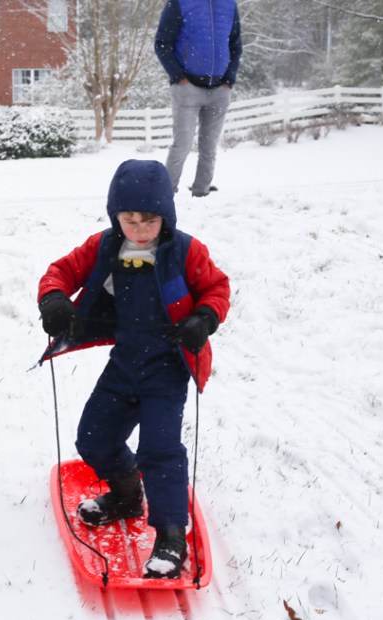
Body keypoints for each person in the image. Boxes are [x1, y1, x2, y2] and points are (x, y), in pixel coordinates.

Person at [37, 159, 230, 579]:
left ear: (166, 217)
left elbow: (217, 288)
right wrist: (54, 299)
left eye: (150, 220)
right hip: (125, 363)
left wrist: (204, 318)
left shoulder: (186, 251)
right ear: (116, 216)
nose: (140, 229)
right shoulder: (104, 246)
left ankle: (171, 535)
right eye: (130, 220)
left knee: (160, 449)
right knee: (94, 437)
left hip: (167, 369)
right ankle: (127, 496)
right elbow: (60, 272)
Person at [154, 0, 243, 198]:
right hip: (187, 89)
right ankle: (166, 195)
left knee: (209, 148)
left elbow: (235, 46)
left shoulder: (229, 4)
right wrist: (179, 77)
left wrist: (229, 79)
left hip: (220, 89)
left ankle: (202, 194)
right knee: (182, 145)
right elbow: (162, 43)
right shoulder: (179, 3)